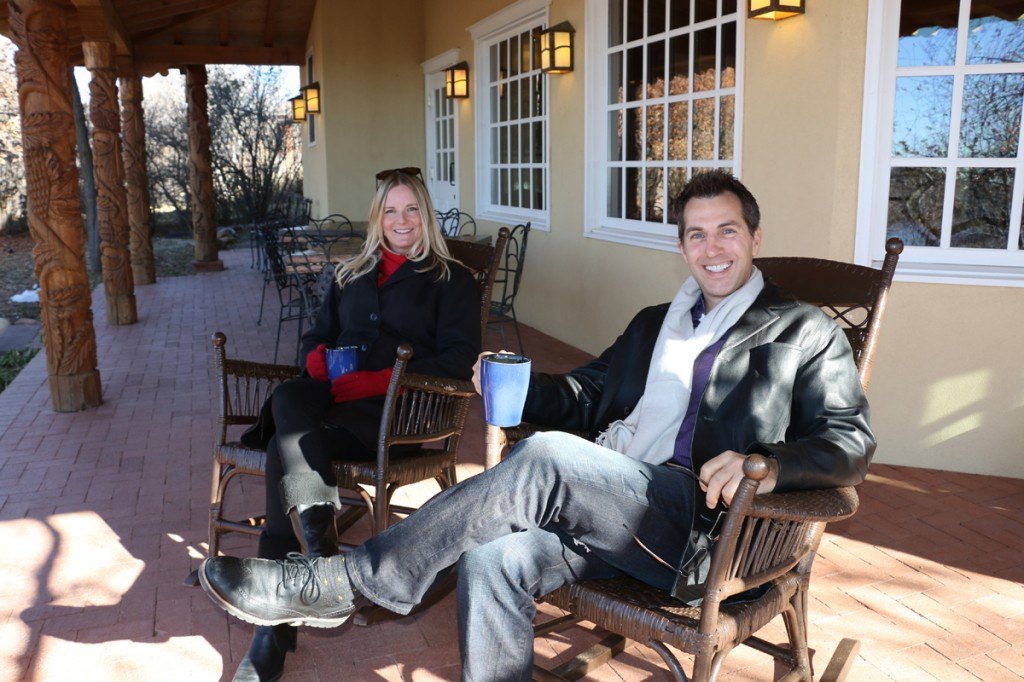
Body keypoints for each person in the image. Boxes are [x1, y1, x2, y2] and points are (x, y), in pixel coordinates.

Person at [199, 170, 875, 681]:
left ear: (755, 236)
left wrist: (772, 465)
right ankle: (357, 586)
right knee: (490, 559)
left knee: (550, 458)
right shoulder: (654, 325)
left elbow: (850, 442)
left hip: (708, 531)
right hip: (621, 513)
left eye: (727, 230)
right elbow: (586, 394)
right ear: (682, 246)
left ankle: (350, 583)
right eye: (696, 234)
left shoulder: (803, 332)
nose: (712, 248)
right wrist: (518, 385)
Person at [232, 169, 482, 681]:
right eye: (390, 210)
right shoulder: (350, 274)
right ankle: (321, 560)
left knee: (288, 447)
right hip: (328, 406)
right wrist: (318, 358)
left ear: (427, 215)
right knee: (290, 398)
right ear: (377, 218)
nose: (401, 220)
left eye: (412, 209)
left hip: (391, 418)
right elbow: (314, 337)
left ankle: (273, 634)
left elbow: (459, 360)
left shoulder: (450, 279)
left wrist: (378, 381)